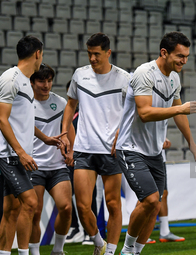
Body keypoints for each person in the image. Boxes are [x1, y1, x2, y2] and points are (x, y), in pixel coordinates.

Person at [116, 31, 196, 255]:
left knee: (155, 205)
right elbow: (144, 113)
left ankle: (136, 251)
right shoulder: (144, 73)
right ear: (164, 53)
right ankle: (126, 251)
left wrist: (192, 143)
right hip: (130, 147)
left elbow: (179, 114)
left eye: (186, 56)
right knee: (151, 199)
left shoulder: (174, 77)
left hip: (154, 152)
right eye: (180, 56)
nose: (184, 61)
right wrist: (180, 108)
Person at [61, 33, 130, 255]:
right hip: (84, 149)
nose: (92, 58)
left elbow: (135, 112)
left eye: (97, 54)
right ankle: (98, 242)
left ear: (108, 53)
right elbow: (70, 105)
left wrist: (122, 132)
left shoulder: (124, 78)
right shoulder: (80, 75)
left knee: (113, 205)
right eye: (89, 54)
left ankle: (110, 251)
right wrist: (64, 132)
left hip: (111, 150)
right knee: (82, 206)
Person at [0, 36, 65, 255]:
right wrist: (20, 152)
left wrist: (44, 138)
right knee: (30, 203)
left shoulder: (25, 82)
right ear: (37, 53)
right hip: (9, 156)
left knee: (11, 210)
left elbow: (22, 120)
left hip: (18, 155)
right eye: (42, 55)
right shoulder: (11, 78)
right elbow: (2, 119)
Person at [27, 64, 75, 255]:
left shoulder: (61, 102)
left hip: (58, 166)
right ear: (32, 82)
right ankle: (34, 252)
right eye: (41, 80)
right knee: (35, 213)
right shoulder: (25, 104)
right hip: (34, 165)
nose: (46, 85)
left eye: (49, 80)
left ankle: (58, 250)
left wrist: (71, 150)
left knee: (66, 208)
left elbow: (68, 128)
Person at [64, 81, 98, 246]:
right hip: (70, 161)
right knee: (68, 195)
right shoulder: (69, 114)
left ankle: (91, 233)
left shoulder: (92, 114)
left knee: (88, 197)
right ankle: (76, 228)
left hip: (89, 159)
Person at [158, 138, 185, 243]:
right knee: (147, 196)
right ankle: (139, 234)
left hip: (159, 158)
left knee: (163, 193)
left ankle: (164, 232)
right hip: (143, 157)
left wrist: (163, 139)